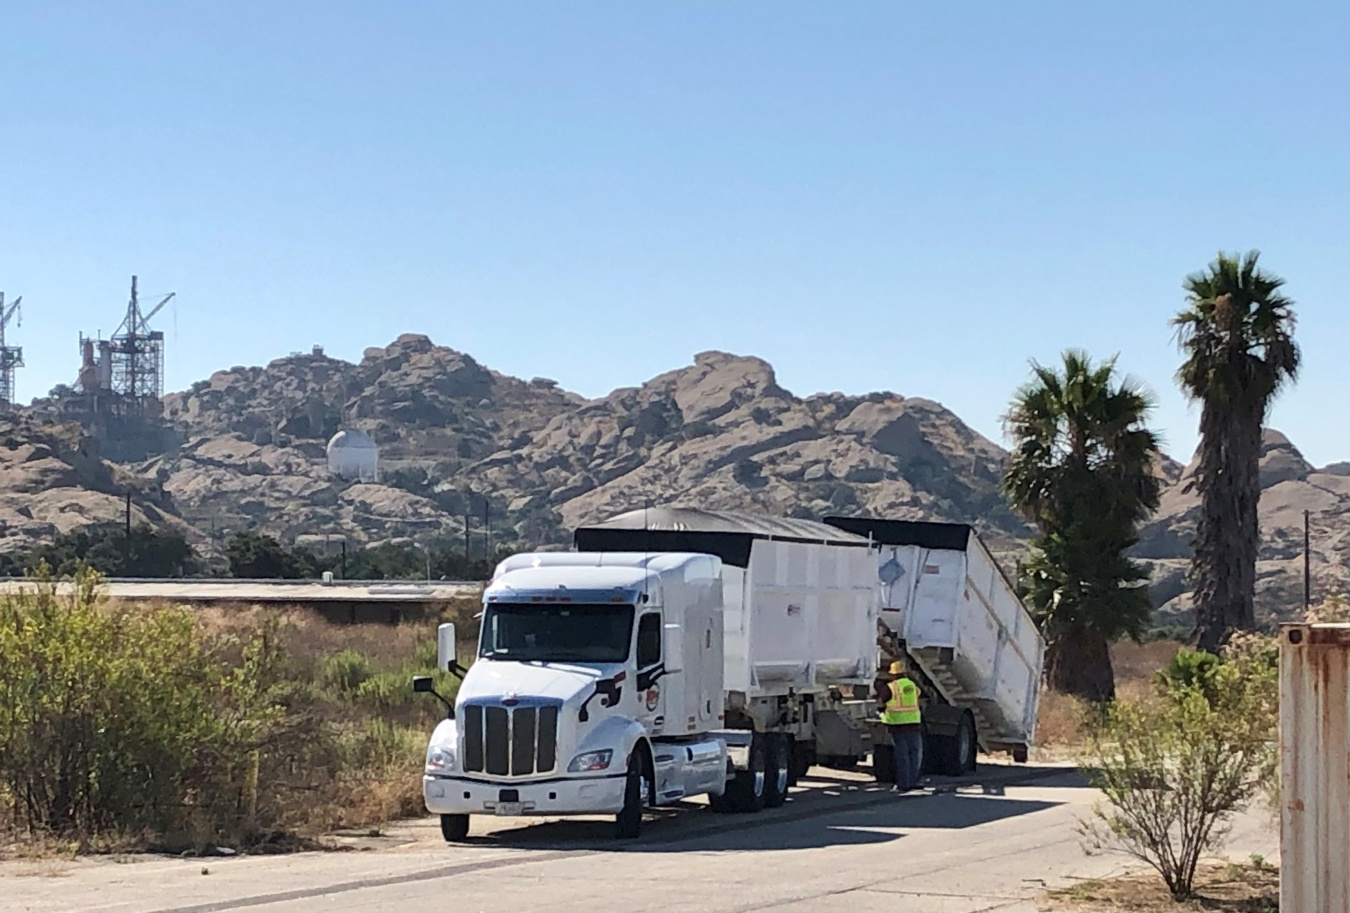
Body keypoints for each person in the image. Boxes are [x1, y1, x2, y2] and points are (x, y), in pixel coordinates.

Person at [876, 659, 923, 792]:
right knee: (914, 754)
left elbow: (881, 702)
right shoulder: (912, 685)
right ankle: (914, 781)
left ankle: (903, 784)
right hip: (914, 723)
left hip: (897, 725)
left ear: (893, 674)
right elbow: (917, 694)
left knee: (902, 756)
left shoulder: (890, 687)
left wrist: (881, 712)